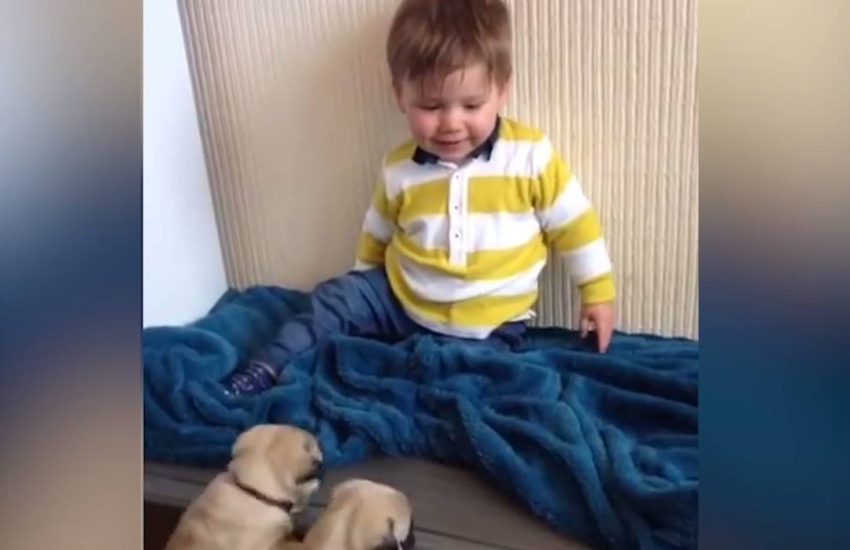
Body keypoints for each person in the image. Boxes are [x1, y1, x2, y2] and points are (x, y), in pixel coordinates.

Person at [223, 0, 616, 396]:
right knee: (335, 298)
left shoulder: (531, 156)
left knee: (469, 383)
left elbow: (575, 224)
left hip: (486, 326)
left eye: (472, 105)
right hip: (400, 300)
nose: (450, 123)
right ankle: (266, 366)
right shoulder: (398, 169)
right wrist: (362, 289)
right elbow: (376, 235)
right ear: (400, 95)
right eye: (430, 106)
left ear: (502, 90)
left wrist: (597, 292)